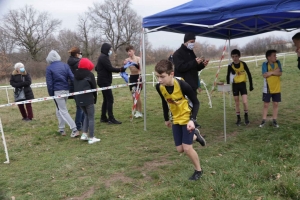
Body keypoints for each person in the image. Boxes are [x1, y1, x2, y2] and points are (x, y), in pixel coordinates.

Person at [155, 59, 206, 181]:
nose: (159, 80)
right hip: (176, 119)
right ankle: (195, 135)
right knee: (180, 149)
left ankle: (198, 170)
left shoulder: (182, 85)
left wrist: (192, 120)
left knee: (187, 149)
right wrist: (166, 118)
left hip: (187, 118)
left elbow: (196, 102)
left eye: (162, 77)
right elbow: (164, 101)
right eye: (157, 77)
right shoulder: (159, 87)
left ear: (171, 74)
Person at [46, 50, 80, 137]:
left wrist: (51, 94)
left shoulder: (49, 68)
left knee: (63, 111)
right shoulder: (65, 65)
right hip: (66, 90)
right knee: (59, 110)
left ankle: (74, 129)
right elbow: (72, 78)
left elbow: (49, 83)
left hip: (57, 91)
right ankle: (61, 129)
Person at [95, 43, 125, 124]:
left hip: (102, 81)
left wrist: (102, 71)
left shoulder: (101, 57)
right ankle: (111, 118)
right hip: (104, 81)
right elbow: (109, 68)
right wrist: (120, 69)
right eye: (110, 49)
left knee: (106, 99)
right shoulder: (104, 57)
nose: (110, 51)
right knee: (110, 99)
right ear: (106, 49)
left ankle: (103, 117)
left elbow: (96, 68)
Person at [74, 58, 100, 144]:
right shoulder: (90, 75)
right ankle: (91, 137)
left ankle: (84, 134)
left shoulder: (75, 74)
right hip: (88, 99)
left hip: (78, 99)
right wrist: (95, 98)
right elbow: (94, 87)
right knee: (91, 117)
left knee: (86, 115)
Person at [226, 49, 254, 126]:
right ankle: (238, 118)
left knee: (245, 102)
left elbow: (249, 74)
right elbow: (228, 76)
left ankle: (246, 116)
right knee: (237, 103)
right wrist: (228, 87)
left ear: (239, 56)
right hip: (235, 85)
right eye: (233, 57)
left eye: (236, 56)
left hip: (242, 85)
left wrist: (251, 85)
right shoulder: (230, 65)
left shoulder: (243, 64)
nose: (234, 58)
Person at [259, 50, 282, 128]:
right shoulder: (264, 64)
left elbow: (280, 73)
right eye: (274, 55)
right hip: (267, 88)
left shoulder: (278, 62)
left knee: (275, 104)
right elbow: (265, 75)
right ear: (269, 57)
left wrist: (271, 73)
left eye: (276, 55)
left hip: (276, 87)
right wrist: (275, 71)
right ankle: (264, 120)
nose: (276, 57)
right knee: (266, 104)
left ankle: (274, 120)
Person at [67, 47, 84, 131]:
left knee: (81, 105)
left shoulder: (70, 62)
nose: (81, 55)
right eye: (80, 53)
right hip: (77, 85)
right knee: (80, 106)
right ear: (77, 54)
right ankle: (78, 124)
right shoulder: (77, 63)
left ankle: (83, 123)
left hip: (74, 85)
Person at [124, 45, 143, 118]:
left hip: (138, 76)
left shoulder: (138, 58)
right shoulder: (127, 59)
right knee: (133, 95)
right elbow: (123, 69)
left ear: (133, 51)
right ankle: (135, 110)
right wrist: (124, 65)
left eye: (130, 51)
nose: (129, 53)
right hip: (131, 77)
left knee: (137, 95)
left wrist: (134, 62)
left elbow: (140, 68)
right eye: (127, 52)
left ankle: (140, 111)